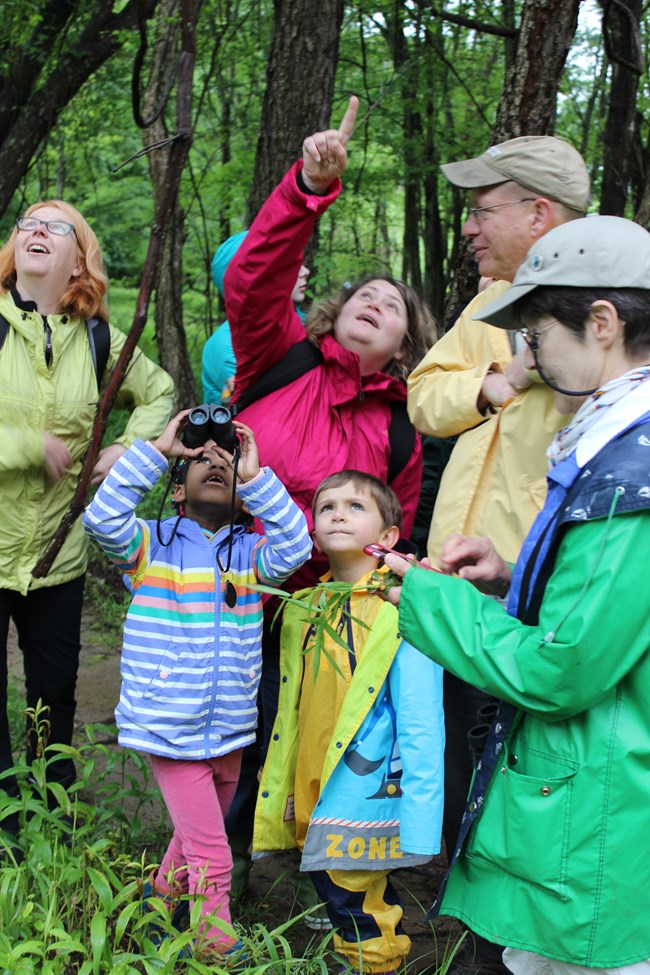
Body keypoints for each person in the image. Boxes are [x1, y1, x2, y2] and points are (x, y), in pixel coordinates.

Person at [382, 215, 650, 975]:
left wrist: (430, 602)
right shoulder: (613, 443)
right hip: (589, 804)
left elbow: (563, 668)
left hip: (602, 826)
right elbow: (608, 613)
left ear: (601, 324)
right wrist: (510, 576)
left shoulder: (631, 471)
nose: (526, 357)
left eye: (534, 335)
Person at [221, 96, 436, 909]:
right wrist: (310, 189)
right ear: (336, 313)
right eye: (363, 293)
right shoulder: (278, 356)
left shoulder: (401, 428)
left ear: (404, 343)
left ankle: (325, 881)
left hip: (324, 613)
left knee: (311, 736)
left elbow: (394, 526)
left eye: (391, 304)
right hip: (232, 588)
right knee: (226, 735)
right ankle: (214, 872)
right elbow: (254, 277)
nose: (373, 300)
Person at [406, 136, 591, 951]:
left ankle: (509, 924)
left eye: (484, 210)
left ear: (539, 213)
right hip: (461, 570)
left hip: (537, 586)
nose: (471, 227)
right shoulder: (487, 307)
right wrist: (498, 381)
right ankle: (465, 894)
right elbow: (424, 398)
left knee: (516, 747)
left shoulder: (603, 304)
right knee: (454, 737)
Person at [82, 411, 312, 961]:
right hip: (169, 719)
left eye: (225, 464)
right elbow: (101, 516)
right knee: (211, 846)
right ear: (178, 492)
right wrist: (159, 452)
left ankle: (160, 901)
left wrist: (256, 480)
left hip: (231, 725)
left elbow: (298, 546)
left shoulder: (253, 557)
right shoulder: (150, 545)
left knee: (193, 834)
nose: (215, 463)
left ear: (242, 499)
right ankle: (215, 938)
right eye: (200, 459)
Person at [0, 201, 174, 841]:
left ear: (80, 258)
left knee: (53, 696)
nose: (38, 231)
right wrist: (26, 447)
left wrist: (129, 446)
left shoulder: (99, 338)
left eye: (57, 226)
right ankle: (5, 832)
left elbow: (158, 394)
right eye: (28, 224)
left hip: (58, 551)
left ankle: (52, 817)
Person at [255, 470, 444, 975]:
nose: (337, 513)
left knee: (356, 898)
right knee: (336, 886)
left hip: (365, 784)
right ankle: (359, 954)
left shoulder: (400, 606)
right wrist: (278, 772)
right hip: (312, 777)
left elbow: (423, 717)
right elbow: (290, 703)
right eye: (326, 507)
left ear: (387, 538)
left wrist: (422, 818)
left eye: (355, 506)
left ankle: (374, 965)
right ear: (312, 531)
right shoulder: (305, 607)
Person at [201, 230, 310, 404]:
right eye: (290, 263)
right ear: (254, 278)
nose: (305, 271)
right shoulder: (227, 345)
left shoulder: (309, 322)